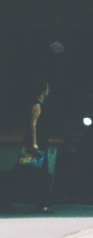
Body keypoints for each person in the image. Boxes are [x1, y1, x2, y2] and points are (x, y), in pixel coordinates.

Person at [22, 80, 54, 212]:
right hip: (38, 143)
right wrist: (34, 142)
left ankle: (42, 203)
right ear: (43, 90)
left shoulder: (42, 104)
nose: (48, 90)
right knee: (41, 173)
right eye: (47, 88)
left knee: (41, 173)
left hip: (42, 141)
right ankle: (41, 203)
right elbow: (33, 125)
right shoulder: (37, 105)